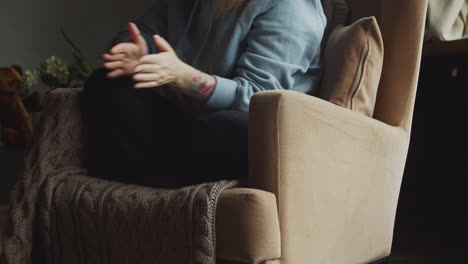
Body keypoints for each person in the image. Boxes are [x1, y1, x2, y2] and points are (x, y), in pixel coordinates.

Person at [83, 0, 326, 188]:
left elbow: (257, 100)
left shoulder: (291, 7)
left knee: (231, 128)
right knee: (106, 84)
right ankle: (159, 176)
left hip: (247, 127)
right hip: (185, 126)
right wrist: (138, 50)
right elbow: (142, 31)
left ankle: (149, 173)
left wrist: (182, 76)